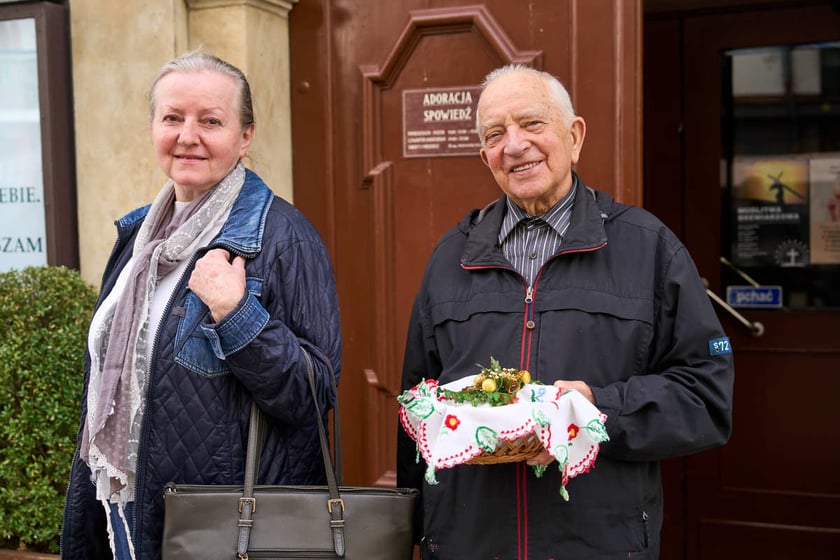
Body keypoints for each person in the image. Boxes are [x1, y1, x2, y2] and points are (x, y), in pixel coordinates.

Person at [397, 64, 734, 559]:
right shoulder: (451, 256)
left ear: (574, 136)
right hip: (469, 543)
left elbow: (705, 396)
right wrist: (415, 533)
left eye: (532, 124)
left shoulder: (650, 249)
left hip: (597, 544)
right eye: (495, 134)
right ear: (485, 156)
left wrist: (598, 409)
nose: (514, 145)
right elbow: (417, 410)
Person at [60, 51, 342, 560]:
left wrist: (238, 317)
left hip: (222, 528)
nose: (188, 136)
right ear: (153, 126)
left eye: (210, 121)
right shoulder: (137, 238)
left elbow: (313, 393)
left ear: (245, 136)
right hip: (120, 511)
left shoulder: (284, 238)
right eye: (173, 117)